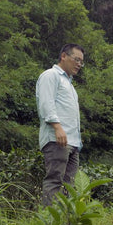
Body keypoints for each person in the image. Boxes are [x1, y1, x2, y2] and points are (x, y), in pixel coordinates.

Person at [36, 43, 85, 205]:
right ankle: (49, 223)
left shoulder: (69, 84)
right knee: (55, 181)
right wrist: (57, 128)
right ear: (63, 56)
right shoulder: (51, 75)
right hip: (57, 139)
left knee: (68, 186)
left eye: (81, 62)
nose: (79, 64)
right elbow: (46, 103)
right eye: (76, 59)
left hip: (73, 142)